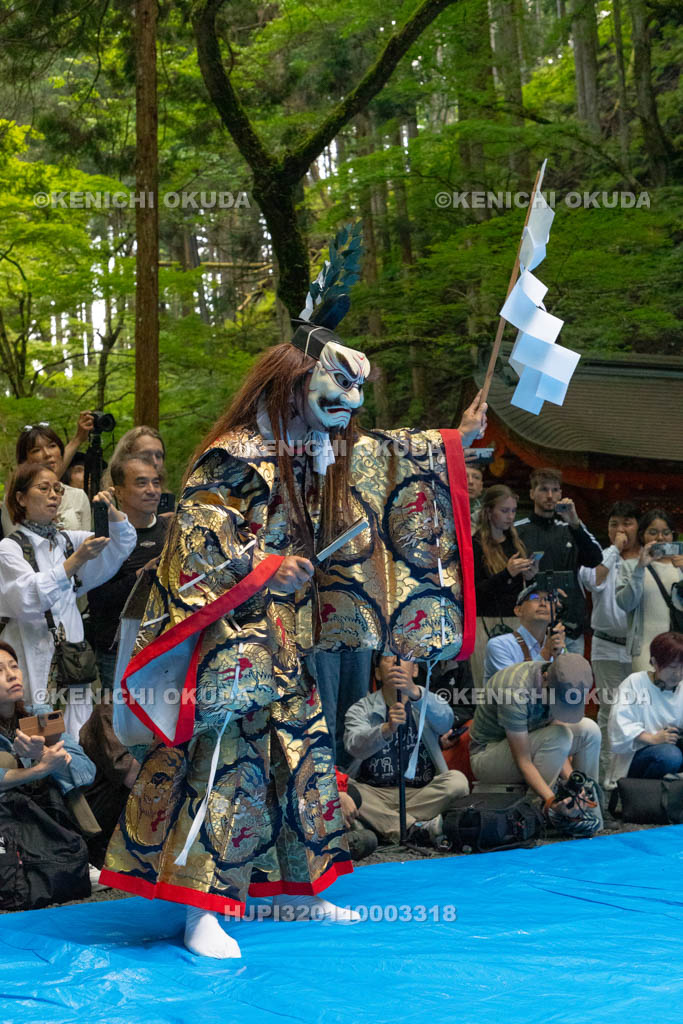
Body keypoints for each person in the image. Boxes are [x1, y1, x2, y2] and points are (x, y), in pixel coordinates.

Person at [100, 263, 482, 958]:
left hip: (282, 637)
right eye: (338, 382)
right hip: (229, 640)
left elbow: (381, 457)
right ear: (292, 384)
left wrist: (450, 443)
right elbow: (196, 543)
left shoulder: (308, 452)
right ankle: (200, 909)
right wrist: (269, 567)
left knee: (303, 758)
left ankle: (296, 894)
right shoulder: (234, 456)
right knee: (228, 763)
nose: (351, 397)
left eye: (358, 385)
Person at [0, 463, 136, 738]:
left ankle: (80, 775)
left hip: (72, 656)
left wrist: (108, 509)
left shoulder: (66, 540)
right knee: (41, 731)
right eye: (44, 488)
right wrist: (75, 562)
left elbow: (121, 544)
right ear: (21, 497)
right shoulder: (9, 547)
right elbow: (28, 597)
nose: (54, 495)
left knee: (79, 727)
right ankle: (44, 776)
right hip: (32, 652)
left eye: (58, 489)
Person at [344, 656, 468, 846]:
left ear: (415, 670)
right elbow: (354, 746)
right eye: (388, 658)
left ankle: (384, 825)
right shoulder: (361, 708)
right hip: (374, 794)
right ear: (377, 673)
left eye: (403, 659)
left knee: (457, 782)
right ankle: (416, 828)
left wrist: (415, 693)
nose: (396, 662)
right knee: (346, 791)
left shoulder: (426, 700)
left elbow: (446, 723)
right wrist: (386, 729)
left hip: (420, 793)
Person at [469, 653, 600, 814]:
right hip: (488, 755)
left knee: (589, 730)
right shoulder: (515, 692)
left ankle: (588, 811)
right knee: (559, 736)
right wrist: (551, 801)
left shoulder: (562, 678)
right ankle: (535, 813)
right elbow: (524, 761)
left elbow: (560, 744)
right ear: (545, 679)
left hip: (534, 741)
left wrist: (574, 784)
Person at [86, 452, 169, 688]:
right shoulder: (105, 539)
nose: (152, 490)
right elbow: (98, 601)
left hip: (166, 645)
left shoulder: (171, 531)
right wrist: (142, 575)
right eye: (141, 483)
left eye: (156, 482)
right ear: (119, 492)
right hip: (117, 652)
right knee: (118, 723)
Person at [578, 501, 640, 784]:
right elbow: (593, 581)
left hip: (641, 646)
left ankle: (634, 777)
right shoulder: (602, 556)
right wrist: (614, 548)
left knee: (640, 710)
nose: (620, 529)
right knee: (610, 711)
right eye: (614, 524)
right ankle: (605, 776)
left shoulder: (648, 559)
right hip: (606, 646)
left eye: (627, 523)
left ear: (638, 526)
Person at [515, 468, 602, 654]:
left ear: (561, 494)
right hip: (534, 625)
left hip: (571, 624)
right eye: (543, 489)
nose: (550, 495)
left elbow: (595, 559)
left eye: (555, 490)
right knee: (533, 680)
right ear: (532, 493)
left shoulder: (571, 527)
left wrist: (575, 522)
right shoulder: (518, 531)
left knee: (572, 681)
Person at [471, 485, 538, 685]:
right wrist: (507, 573)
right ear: (489, 512)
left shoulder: (515, 542)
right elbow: (475, 592)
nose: (510, 516)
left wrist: (531, 577)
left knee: (518, 684)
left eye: (513, 511)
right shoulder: (475, 545)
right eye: (504, 511)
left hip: (515, 621)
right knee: (489, 685)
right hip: (485, 622)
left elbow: (522, 592)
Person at [607, 631, 683, 783]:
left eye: (682, 667)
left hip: (673, 746)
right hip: (637, 755)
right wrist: (653, 738)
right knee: (670, 756)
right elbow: (619, 725)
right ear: (654, 662)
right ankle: (642, 798)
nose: (678, 674)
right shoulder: (635, 683)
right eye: (672, 667)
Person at [616, 509, 683, 673]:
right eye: (653, 532)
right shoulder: (630, 566)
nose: (660, 538)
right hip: (645, 649)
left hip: (679, 647)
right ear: (642, 536)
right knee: (647, 695)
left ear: (673, 536)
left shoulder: (680, 567)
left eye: (666, 533)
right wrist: (640, 568)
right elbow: (625, 603)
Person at [2, 422, 92, 536]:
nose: (47, 454)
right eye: (36, 450)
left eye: (52, 446)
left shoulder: (78, 496)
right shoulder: (16, 497)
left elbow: (86, 543)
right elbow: (15, 543)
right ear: (25, 460)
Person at [482, 584, 566, 684]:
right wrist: (546, 652)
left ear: (554, 614)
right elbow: (514, 688)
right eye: (534, 597)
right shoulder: (500, 645)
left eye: (548, 599)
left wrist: (558, 658)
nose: (543, 603)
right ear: (518, 610)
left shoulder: (557, 647)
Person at [467, 464, 484, 532]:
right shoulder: (444, 513)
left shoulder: (489, 515)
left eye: (476, 477)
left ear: (481, 486)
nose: (470, 482)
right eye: (464, 476)